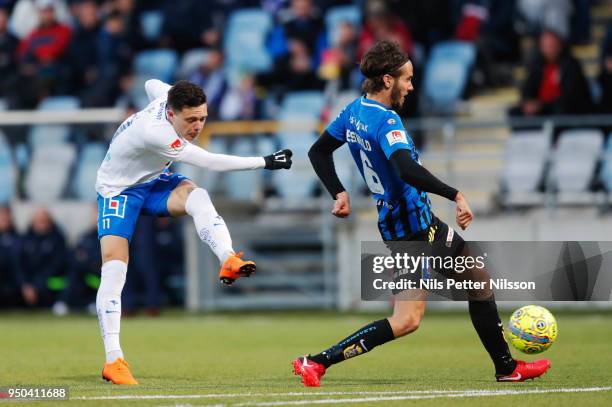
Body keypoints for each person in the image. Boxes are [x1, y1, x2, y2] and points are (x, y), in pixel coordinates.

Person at [294, 40, 550, 387]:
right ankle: (316, 362)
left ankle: (507, 368)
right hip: (409, 231)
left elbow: (318, 151)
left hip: (418, 223)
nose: (411, 86)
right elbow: (406, 170)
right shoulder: (386, 120)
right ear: (387, 80)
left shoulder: (353, 111)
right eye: (407, 79)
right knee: (407, 320)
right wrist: (455, 194)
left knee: (478, 281)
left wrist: (338, 192)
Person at [96, 79, 293, 385]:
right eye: (191, 120)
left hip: (153, 181)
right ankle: (114, 360)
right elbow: (210, 161)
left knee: (197, 196)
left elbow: (151, 83)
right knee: (114, 269)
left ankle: (228, 258)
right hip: (118, 191)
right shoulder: (156, 132)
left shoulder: (168, 96)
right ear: (171, 115)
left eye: (202, 118)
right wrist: (264, 161)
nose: (198, 126)